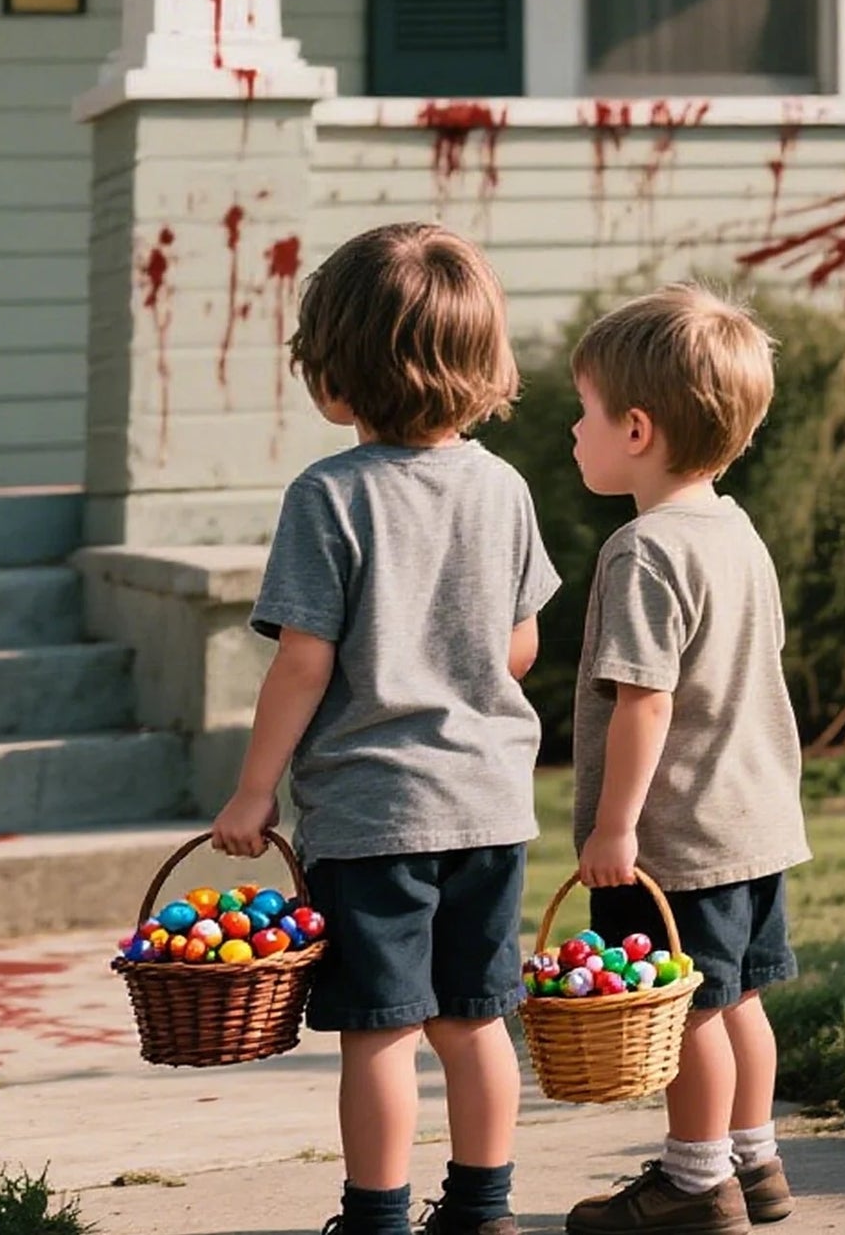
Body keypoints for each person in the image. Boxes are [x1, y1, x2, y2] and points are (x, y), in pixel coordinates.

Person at [212, 222, 559, 1235]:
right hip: (489, 804)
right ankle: (483, 1207)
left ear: (335, 378)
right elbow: (519, 649)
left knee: (376, 1029)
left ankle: (375, 1215)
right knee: (474, 1017)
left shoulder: (326, 495)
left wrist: (250, 788)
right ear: (483, 366)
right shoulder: (502, 485)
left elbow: (301, 662)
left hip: (373, 814)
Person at [565, 285, 810, 1233]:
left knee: (690, 1010)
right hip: (754, 824)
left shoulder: (645, 551)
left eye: (582, 412)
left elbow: (647, 697)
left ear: (635, 428)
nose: (572, 430)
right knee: (740, 997)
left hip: (679, 839)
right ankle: (757, 1163)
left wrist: (615, 825)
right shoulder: (736, 534)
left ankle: (695, 1182)